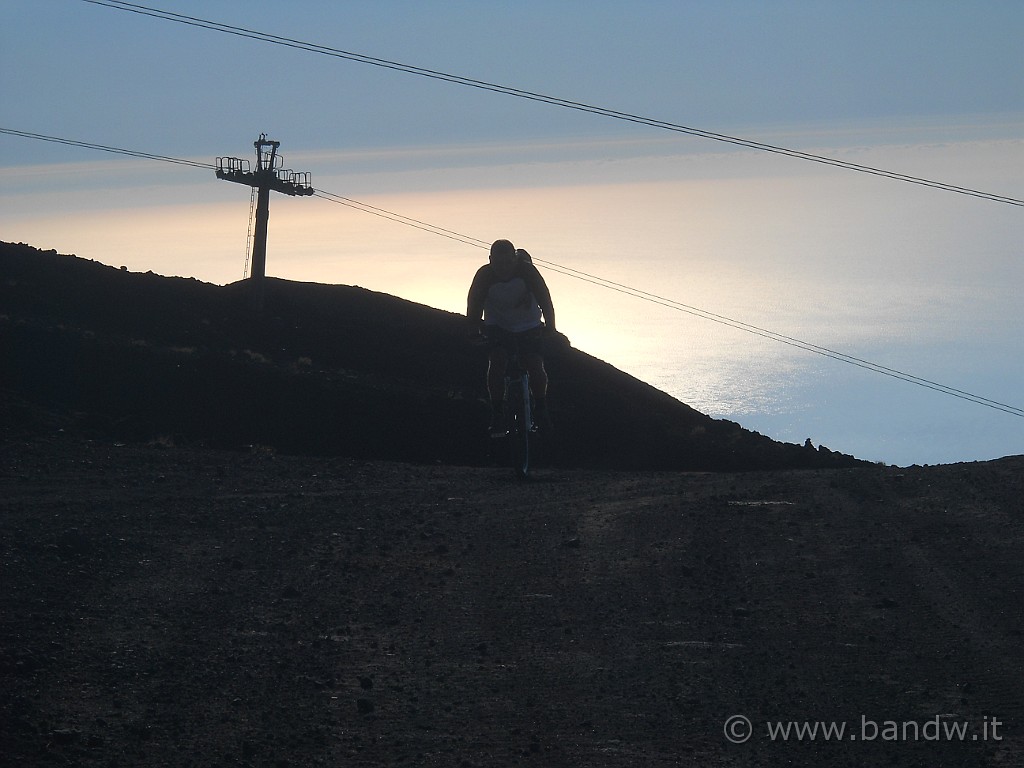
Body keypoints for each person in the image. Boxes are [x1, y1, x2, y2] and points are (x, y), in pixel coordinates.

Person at [467, 239, 559, 436]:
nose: (503, 268)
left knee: (534, 364)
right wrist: (472, 330)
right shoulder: (484, 276)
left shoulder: (527, 272)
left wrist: (551, 325)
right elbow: (473, 305)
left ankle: (541, 409)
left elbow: (545, 298)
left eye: (508, 262)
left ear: (515, 259)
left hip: (529, 325)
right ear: (490, 260)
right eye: (498, 263)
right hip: (497, 326)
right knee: (497, 362)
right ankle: (498, 413)